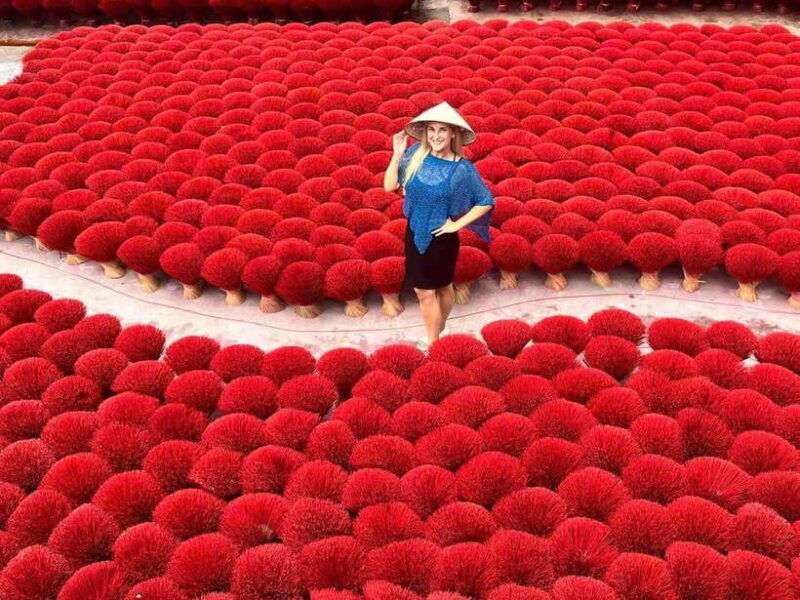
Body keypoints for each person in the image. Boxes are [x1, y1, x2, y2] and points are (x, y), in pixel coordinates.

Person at [383, 101, 495, 351]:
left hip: (442, 238)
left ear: (453, 133)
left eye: (442, 130)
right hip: (413, 233)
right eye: (430, 130)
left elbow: (485, 200)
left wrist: (457, 225)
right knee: (427, 291)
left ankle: (434, 342)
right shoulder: (414, 155)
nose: (435, 136)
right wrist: (397, 154)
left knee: (440, 287)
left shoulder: (461, 168)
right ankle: (439, 332)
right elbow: (390, 186)